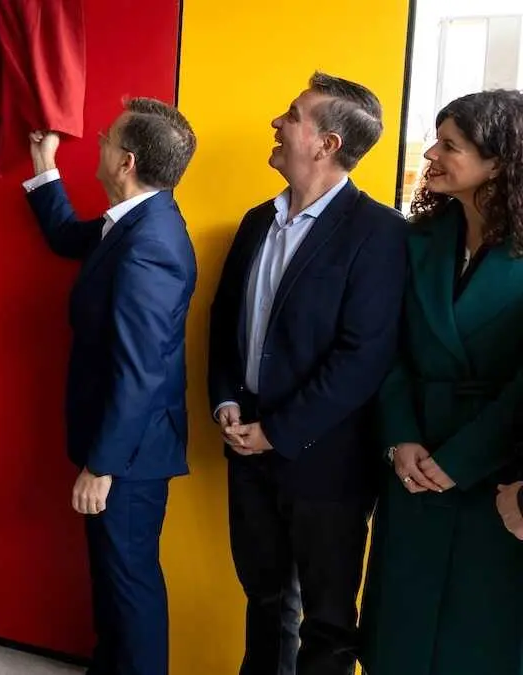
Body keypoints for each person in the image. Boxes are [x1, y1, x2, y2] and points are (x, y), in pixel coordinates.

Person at [207, 72, 407, 675]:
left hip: (329, 462)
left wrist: (277, 430)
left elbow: (363, 356)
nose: (277, 122)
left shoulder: (382, 233)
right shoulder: (252, 223)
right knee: (264, 602)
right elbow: (224, 326)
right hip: (247, 452)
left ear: (326, 143)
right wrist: (226, 403)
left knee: (327, 621)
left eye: (292, 114)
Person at [24, 98, 197, 675]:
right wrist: (43, 164)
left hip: (131, 451)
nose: (95, 143)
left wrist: (103, 465)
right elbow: (67, 239)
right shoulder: (131, 222)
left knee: (130, 584)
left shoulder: (149, 245)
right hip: (123, 442)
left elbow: (139, 369)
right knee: (113, 577)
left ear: (124, 161)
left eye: (104, 138)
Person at [361, 89, 523, 675]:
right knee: (398, 626)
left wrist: (464, 460)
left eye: (450, 145)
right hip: (413, 462)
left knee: (477, 635)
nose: (431, 153)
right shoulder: (417, 239)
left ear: (499, 162)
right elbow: (390, 351)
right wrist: (399, 436)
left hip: (494, 476)